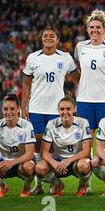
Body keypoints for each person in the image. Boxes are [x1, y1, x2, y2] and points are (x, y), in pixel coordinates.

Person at [21, 26, 78, 195]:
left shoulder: (65, 58)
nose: (48, 38)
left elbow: (78, 79)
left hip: (57, 110)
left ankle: (54, 182)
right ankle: (39, 185)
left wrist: (73, 101)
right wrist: (24, 107)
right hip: (37, 108)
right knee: (38, 146)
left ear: (57, 39)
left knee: (52, 148)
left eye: (52, 36)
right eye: (45, 36)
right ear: (41, 39)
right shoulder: (33, 58)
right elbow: (26, 84)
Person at [74, 9, 105, 134]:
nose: (94, 30)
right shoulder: (80, 47)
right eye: (91, 27)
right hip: (84, 98)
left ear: (104, 30)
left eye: (98, 27)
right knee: (86, 138)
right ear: (87, 29)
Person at [35, 96, 92, 197]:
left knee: (84, 165)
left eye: (68, 109)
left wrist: (69, 160)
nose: (65, 112)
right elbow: (44, 152)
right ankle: (58, 184)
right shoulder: (51, 124)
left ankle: (82, 186)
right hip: (58, 162)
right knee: (39, 168)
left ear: (74, 109)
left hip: (76, 162)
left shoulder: (83, 122)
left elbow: (86, 151)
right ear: (58, 110)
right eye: (62, 109)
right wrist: (54, 163)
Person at [0, 93, 36, 197]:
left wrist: (12, 162)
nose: (8, 112)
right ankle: (2, 186)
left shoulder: (26, 125)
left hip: (22, 162)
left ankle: (26, 188)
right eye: (6, 109)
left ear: (18, 109)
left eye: (12, 109)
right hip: (3, 161)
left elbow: (30, 154)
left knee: (28, 167)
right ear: (2, 110)